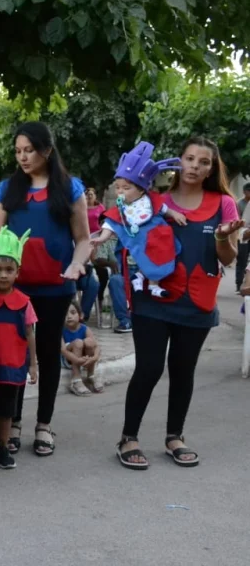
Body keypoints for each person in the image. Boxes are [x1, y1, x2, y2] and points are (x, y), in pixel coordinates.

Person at [117, 136, 241, 470]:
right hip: (152, 299)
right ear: (178, 161)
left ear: (211, 169)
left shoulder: (223, 204)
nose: (195, 166)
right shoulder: (154, 200)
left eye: (204, 162)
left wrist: (220, 236)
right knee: (149, 368)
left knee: (183, 370)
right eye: (189, 159)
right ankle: (128, 438)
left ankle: (175, 436)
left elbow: (227, 257)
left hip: (197, 299)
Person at [0, 122, 92, 457]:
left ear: (47, 151)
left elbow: (83, 240)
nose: (22, 157)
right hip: (14, 290)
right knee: (15, 355)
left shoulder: (70, 189)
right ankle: (15, 422)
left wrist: (77, 264)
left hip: (56, 288)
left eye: (29, 150)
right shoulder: (8, 189)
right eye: (18, 151)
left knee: (48, 356)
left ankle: (44, 425)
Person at [0, 227, 37, 469]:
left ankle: (2, 447)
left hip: (13, 367)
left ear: (17, 272)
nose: (3, 275)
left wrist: (33, 364)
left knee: (6, 412)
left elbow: (30, 333)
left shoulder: (24, 302)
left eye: (9, 270)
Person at [91, 142, 186, 298]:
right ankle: (145, 280)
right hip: (140, 241)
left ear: (141, 189)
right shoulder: (120, 210)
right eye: (117, 187)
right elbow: (111, 223)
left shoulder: (150, 202)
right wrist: (101, 238)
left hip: (158, 236)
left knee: (164, 254)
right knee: (145, 257)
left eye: (126, 188)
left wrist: (175, 214)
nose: (120, 191)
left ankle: (148, 280)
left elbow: (164, 209)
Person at [92, 214, 133, 334]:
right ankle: (125, 320)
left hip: (144, 273)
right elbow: (99, 259)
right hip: (122, 273)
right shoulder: (108, 240)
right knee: (115, 280)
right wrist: (111, 264)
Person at [61, 301, 103, 395]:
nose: (69, 316)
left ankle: (91, 376)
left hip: (85, 360)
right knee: (78, 343)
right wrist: (77, 360)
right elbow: (63, 350)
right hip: (68, 360)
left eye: (73, 312)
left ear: (81, 315)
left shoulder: (84, 328)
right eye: (65, 313)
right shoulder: (61, 330)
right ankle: (76, 380)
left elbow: (96, 346)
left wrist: (94, 358)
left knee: (89, 341)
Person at [235, 183, 250, 291]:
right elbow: (236, 219)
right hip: (242, 234)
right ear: (244, 192)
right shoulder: (239, 204)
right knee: (242, 260)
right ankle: (239, 284)